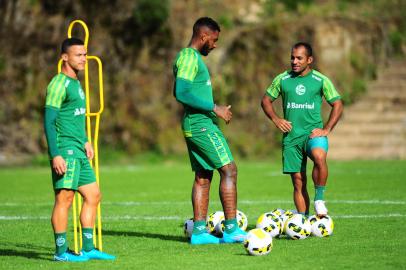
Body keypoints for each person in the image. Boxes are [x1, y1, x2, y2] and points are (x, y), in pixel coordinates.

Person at [172, 17, 247, 244]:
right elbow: (181, 92)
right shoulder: (188, 57)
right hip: (200, 124)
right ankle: (232, 229)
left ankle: (200, 232)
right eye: (213, 40)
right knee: (229, 170)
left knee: (203, 177)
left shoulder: (192, 59)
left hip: (197, 123)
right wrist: (216, 108)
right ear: (203, 37)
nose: (214, 45)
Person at [44, 37, 115, 261]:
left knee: (94, 195)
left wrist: (85, 140)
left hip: (79, 149)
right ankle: (61, 253)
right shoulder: (59, 83)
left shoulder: (76, 82)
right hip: (65, 150)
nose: (84, 59)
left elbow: (75, 117)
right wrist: (55, 154)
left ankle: (88, 248)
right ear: (65, 57)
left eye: (85, 54)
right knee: (65, 199)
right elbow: (48, 121)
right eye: (78, 55)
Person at [261, 42, 343, 217]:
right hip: (291, 137)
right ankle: (303, 220)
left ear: (309, 60)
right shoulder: (282, 79)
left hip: (313, 134)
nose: (294, 61)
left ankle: (319, 199)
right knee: (299, 182)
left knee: (320, 157)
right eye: (292, 57)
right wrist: (276, 119)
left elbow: (337, 104)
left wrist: (327, 129)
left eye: (299, 58)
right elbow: (266, 100)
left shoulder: (320, 80)